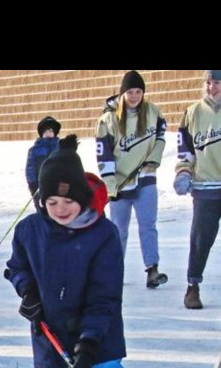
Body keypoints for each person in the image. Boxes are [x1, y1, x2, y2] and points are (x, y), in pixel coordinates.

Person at [5, 135, 160, 368]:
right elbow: (17, 267)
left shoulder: (103, 236)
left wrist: (89, 345)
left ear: (83, 198)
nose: (60, 209)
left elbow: (104, 297)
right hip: (51, 337)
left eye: (68, 201)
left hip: (100, 337)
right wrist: (27, 293)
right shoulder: (29, 231)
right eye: (51, 202)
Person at [96, 70, 168, 289]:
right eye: (130, 92)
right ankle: (114, 270)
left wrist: (152, 161)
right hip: (120, 183)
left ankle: (152, 269)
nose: (135, 96)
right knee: (119, 229)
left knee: (148, 224)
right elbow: (103, 153)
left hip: (145, 178)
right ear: (123, 93)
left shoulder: (152, 112)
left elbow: (161, 138)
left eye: (138, 91)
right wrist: (110, 184)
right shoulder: (108, 119)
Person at [174, 70, 221, 310]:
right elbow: (185, 150)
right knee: (200, 239)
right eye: (208, 83)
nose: (211, 88)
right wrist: (183, 172)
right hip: (206, 185)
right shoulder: (193, 113)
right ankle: (193, 286)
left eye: (217, 82)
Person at [25, 116, 60, 197]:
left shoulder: (60, 148)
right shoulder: (34, 150)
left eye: (51, 131)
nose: (48, 134)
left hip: (58, 186)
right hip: (40, 187)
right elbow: (30, 169)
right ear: (41, 134)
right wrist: (33, 184)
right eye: (45, 132)